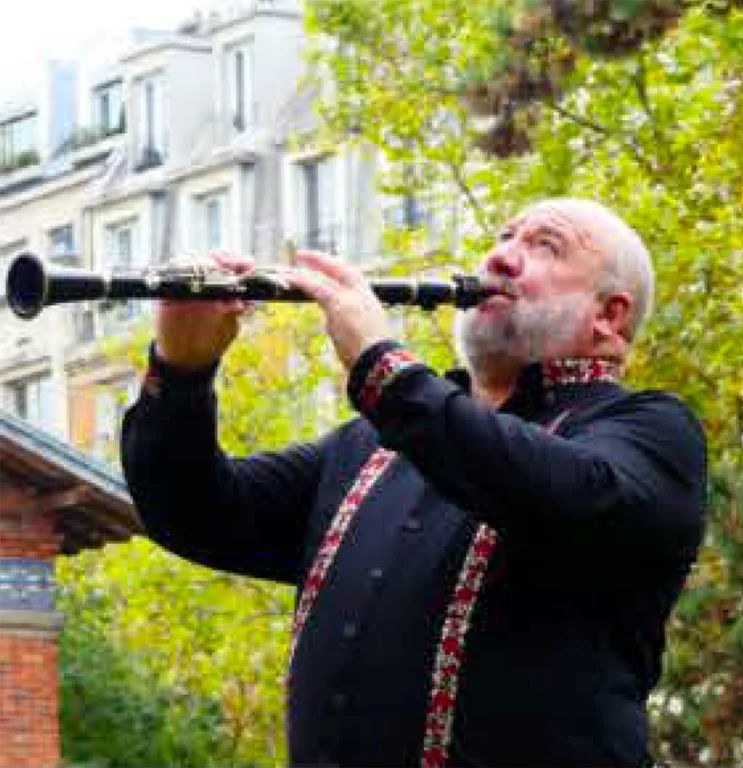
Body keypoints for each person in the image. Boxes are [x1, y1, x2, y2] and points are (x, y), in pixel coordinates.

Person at [121, 197, 706, 767]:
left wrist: (382, 366)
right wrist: (181, 371)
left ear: (609, 315)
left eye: (544, 247)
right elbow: (194, 511)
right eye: (504, 237)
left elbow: (557, 489)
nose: (501, 258)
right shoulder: (371, 443)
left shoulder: (651, 432)